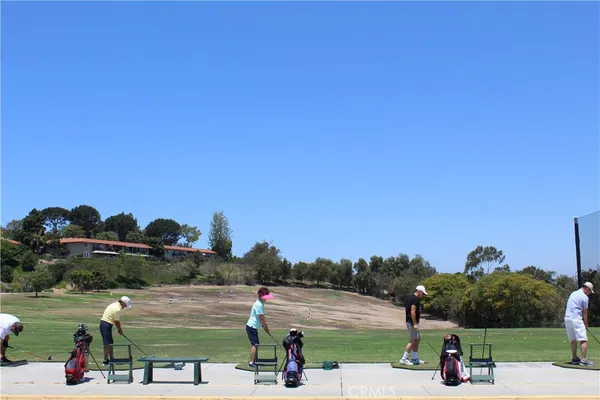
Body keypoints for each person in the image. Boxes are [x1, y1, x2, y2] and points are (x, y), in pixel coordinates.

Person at [564, 282, 594, 366]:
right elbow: (584, 311)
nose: (589, 294)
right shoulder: (584, 297)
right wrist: (586, 323)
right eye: (590, 292)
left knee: (573, 340)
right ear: (586, 289)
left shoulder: (573, 293)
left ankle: (574, 359)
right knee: (583, 339)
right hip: (576, 319)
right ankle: (583, 360)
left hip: (567, 319)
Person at [246, 287, 274, 367]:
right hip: (252, 327)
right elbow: (261, 318)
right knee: (255, 344)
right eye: (265, 297)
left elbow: (261, 318)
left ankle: (253, 360)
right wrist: (266, 328)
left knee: (254, 344)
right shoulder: (258, 304)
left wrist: (264, 326)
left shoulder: (260, 303)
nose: (266, 299)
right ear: (261, 296)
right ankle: (252, 363)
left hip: (253, 327)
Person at [99, 296, 131, 365]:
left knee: (110, 343)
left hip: (105, 324)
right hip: (106, 325)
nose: (125, 307)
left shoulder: (114, 304)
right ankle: (105, 361)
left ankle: (111, 359)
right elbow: (117, 321)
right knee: (107, 344)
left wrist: (119, 330)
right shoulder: (117, 309)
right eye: (125, 305)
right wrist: (120, 330)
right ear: (122, 303)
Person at [400, 285, 427, 365]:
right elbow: (412, 311)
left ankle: (415, 358)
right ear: (419, 292)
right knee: (413, 340)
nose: (423, 295)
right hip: (412, 323)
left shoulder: (409, 298)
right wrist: (415, 323)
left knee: (417, 339)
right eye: (423, 293)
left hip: (410, 322)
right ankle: (404, 358)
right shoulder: (415, 300)